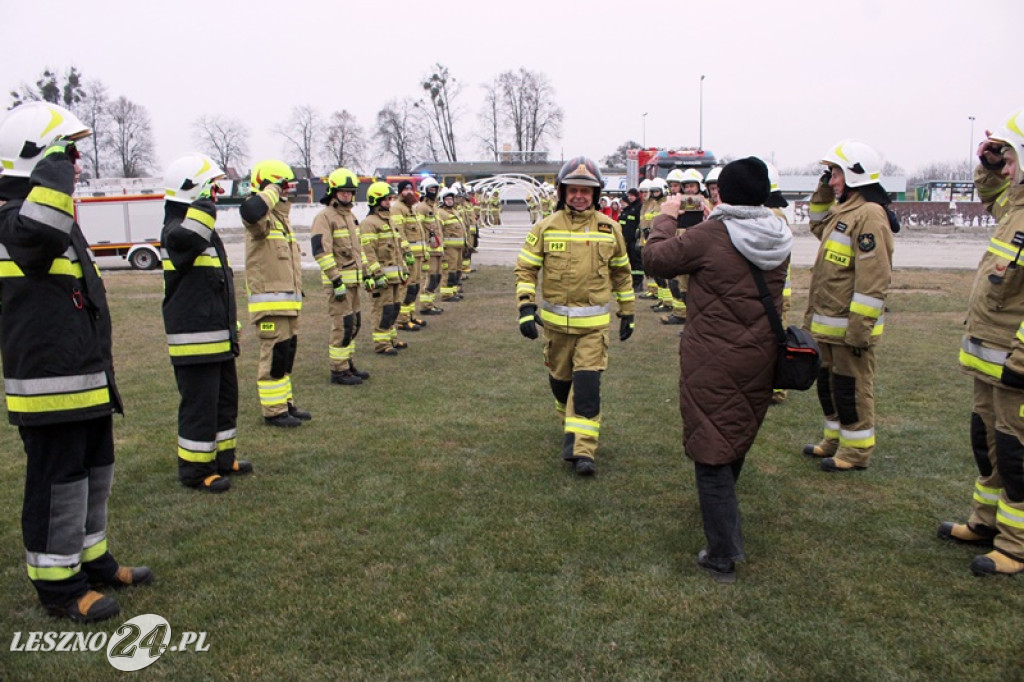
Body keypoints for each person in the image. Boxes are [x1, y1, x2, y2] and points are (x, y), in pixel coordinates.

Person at [0, 102, 152, 622]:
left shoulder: (49, 209)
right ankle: (60, 588)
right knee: (58, 484)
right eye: (69, 154)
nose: (78, 164)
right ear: (37, 159)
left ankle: (92, 561)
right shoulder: (14, 215)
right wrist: (55, 167)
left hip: (83, 379)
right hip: (49, 384)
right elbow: (38, 238)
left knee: (94, 475)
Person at [643, 157, 792, 583]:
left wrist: (665, 218)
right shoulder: (777, 233)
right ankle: (721, 511)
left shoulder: (711, 235)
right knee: (735, 429)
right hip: (759, 352)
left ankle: (722, 555)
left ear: (719, 193)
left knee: (710, 445)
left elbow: (655, 260)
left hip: (713, 355)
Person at [939, 107, 1024, 576]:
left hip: (1016, 362)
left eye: (1010, 159)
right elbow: (992, 193)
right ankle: (987, 523)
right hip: (991, 359)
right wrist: (989, 163)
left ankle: (1016, 546)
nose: (1005, 169)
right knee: (988, 443)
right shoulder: (1018, 207)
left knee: (1017, 453)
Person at [514, 156, 635, 476]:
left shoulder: (611, 229)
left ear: (595, 195)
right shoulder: (544, 227)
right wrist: (526, 307)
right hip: (555, 330)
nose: (579, 195)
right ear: (562, 192)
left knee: (587, 387)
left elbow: (622, 274)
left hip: (593, 329)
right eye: (573, 190)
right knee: (560, 385)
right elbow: (526, 268)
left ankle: (583, 451)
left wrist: (628, 312)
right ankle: (570, 424)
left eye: (586, 191)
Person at [801, 140, 898, 471]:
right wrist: (824, 185)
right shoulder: (843, 211)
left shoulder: (869, 214)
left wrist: (860, 329)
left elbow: (873, 279)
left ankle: (855, 452)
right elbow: (815, 222)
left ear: (856, 174)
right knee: (829, 387)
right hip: (828, 325)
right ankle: (834, 440)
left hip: (850, 329)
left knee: (851, 388)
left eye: (837, 173)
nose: (832, 181)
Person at [161, 153, 250, 492]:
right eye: (210, 188)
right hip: (195, 341)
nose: (215, 194)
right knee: (199, 406)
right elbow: (190, 238)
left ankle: (224, 459)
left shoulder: (200, 230)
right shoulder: (177, 231)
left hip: (217, 339)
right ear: (193, 190)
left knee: (225, 401)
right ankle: (196, 471)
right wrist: (201, 203)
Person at [241, 160, 312, 427]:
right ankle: (273, 411)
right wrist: (270, 189)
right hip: (270, 306)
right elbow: (249, 211)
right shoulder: (261, 220)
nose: (286, 191)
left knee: (285, 354)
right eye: (282, 186)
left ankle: (285, 403)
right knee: (273, 355)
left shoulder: (281, 220)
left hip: (287, 305)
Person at [310, 167, 372, 386]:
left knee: (354, 324)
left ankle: (347, 363)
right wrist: (336, 279)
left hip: (353, 282)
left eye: (350, 191)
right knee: (342, 325)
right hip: (339, 284)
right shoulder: (325, 217)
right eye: (343, 191)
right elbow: (321, 251)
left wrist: (367, 274)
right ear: (333, 191)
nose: (347, 195)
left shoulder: (351, 217)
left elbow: (358, 251)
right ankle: (338, 370)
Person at [361, 181, 411, 355]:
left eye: (390, 199)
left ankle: (392, 339)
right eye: (385, 200)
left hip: (396, 275)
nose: (389, 203)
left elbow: (397, 249)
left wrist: (404, 269)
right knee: (383, 310)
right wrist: (376, 274)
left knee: (394, 308)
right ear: (375, 200)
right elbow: (368, 252)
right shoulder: (369, 223)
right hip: (382, 277)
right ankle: (381, 344)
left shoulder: (390, 221)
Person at [661, 169, 712, 326]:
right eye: (686, 186)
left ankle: (698, 323)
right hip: (682, 249)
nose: (689, 189)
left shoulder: (702, 203)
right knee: (682, 289)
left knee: (697, 290)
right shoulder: (682, 203)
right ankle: (690, 321)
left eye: (692, 186)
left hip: (698, 251)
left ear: (699, 186)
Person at [763, 160, 794, 405]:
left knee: (775, 339)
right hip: (775, 289)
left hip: (776, 291)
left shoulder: (772, 216)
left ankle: (777, 389)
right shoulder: (772, 213)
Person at [392, 180, 427, 332]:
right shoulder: (398, 209)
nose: (409, 192)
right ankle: (402, 320)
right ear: (400, 192)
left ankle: (411, 315)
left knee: (415, 286)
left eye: (411, 189)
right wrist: (406, 252)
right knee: (407, 287)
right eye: (406, 190)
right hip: (408, 256)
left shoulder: (411, 208)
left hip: (418, 254)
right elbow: (399, 233)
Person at [415, 176, 445, 316]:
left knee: (436, 277)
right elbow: (419, 228)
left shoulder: (434, 208)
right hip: (429, 250)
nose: (433, 192)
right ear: (424, 190)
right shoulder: (421, 208)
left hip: (437, 249)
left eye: (435, 189)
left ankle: (431, 304)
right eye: (431, 189)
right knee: (429, 277)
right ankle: (425, 305)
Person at [438, 185, 466, 302]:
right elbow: (439, 231)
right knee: (449, 271)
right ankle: (446, 294)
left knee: (457, 270)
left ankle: (453, 291)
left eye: (451, 199)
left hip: (458, 247)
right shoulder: (441, 213)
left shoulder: (455, 211)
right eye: (447, 199)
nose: (450, 201)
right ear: (442, 200)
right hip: (449, 248)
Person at [618, 188, 644, 292]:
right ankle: (633, 282)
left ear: (636, 196)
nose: (630, 198)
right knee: (630, 262)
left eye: (631, 196)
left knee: (636, 262)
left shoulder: (639, 207)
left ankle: (638, 283)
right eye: (628, 196)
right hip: (627, 240)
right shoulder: (629, 209)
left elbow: (640, 222)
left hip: (635, 240)